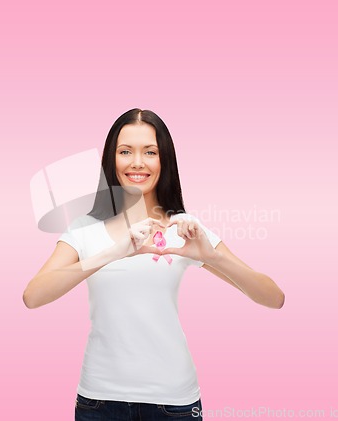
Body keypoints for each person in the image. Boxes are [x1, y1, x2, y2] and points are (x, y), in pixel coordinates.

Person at [22, 108, 285, 420]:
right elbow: (33, 296)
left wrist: (212, 256)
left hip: (173, 402)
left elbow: (273, 297)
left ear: (165, 161)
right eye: (125, 151)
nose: (137, 162)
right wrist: (113, 252)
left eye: (150, 152)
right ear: (111, 159)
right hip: (99, 401)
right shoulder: (85, 227)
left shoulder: (183, 229)